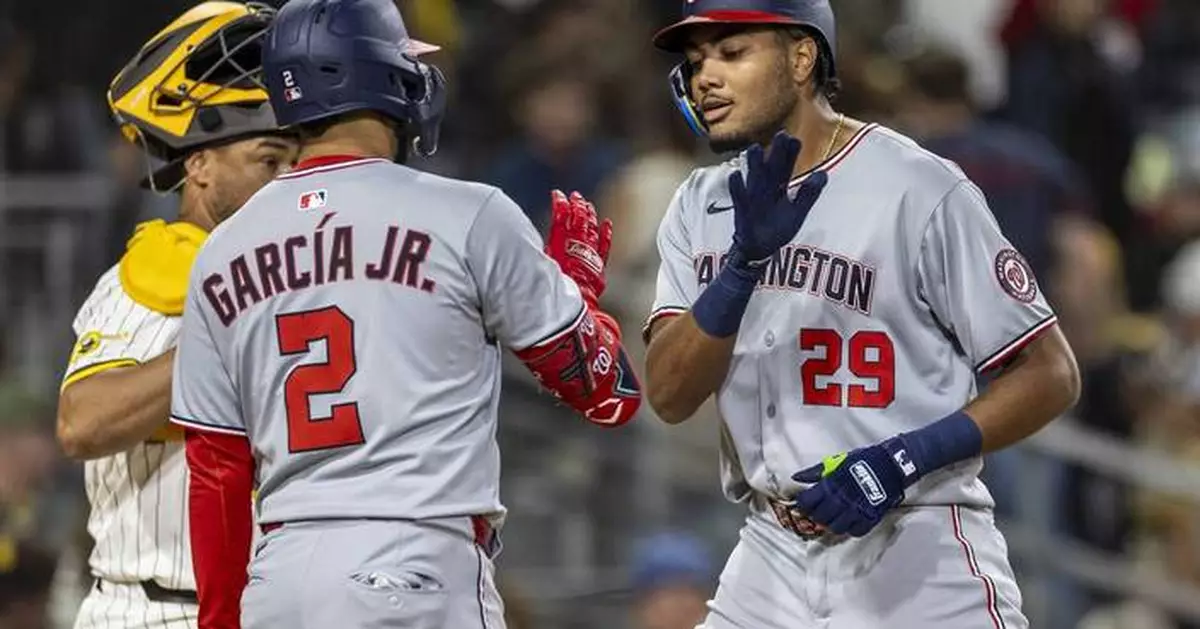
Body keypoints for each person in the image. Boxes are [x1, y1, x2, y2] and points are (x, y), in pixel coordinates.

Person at [165, 1, 641, 627]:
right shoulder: (467, 213)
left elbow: (216, 470)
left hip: (279, 577)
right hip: (414, 562)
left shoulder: (222, 250)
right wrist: (577, 296)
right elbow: (605, 392)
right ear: (387, 79)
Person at [642, 1, 1081, 628]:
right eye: (695, 62)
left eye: (732, 52)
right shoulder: (699, 204)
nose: (705, 76)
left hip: (916, 541)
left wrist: (903, 460)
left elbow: (1051, 373)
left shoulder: (918, 186)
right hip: (770, 548)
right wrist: (740, 269)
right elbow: (669, 394)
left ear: (801, 58)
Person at [54, 3, 297, 627]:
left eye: (296, 162)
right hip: (151, 608)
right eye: (269, 161)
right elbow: (82, 423)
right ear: (199, 163)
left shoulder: (301, 285)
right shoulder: (160, 272)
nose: (288, 180)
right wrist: (221, 344)